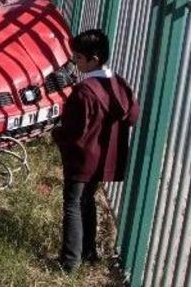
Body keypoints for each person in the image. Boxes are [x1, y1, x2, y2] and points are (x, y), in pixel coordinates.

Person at [52, 30, 139, 273]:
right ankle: (90, 252)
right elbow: (132, 116)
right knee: (87, 200)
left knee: (72, 203)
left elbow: (74, 131)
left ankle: (70, 261)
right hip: (106, 157)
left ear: (95, 59)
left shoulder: (84, 91)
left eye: (79, 58)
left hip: (82, 158)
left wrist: (56, 134)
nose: (76, 63)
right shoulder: (120, 84)